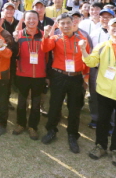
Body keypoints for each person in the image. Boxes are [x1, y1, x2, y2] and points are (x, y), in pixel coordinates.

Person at [81, 18, 116, 168]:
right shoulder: (101, 46)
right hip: (104, 92)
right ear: (108, 29)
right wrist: (83, 51)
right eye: (113, 26)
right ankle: (100, 146)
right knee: (102, 121)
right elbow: (91, 63)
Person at [41, 13, 90, 154]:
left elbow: (87, 60)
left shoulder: (82, 39)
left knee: (74, 108)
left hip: (76, 78)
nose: (66, 26)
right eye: (62, 23)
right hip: (59, 76)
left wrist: (85, 79)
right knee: (55, 105)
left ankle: (72, 135)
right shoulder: (55, 38)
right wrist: (46, 34)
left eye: (68, 23)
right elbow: (45, 48)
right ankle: (51, 130)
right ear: (58, 25)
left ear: (73, 23)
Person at [12, 10, 47, 140]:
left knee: (36, 102)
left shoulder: (44, 35)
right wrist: (15, 41)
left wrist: (47, 75)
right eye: (29, 19)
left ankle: (33, 126)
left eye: (34, 18)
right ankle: (21, 124)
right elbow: (14, 55)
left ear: (38, 20)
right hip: (22, 74)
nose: (31, 21)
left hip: (39, 75)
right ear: (24, 21)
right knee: (21, 101)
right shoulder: (19, 35)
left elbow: (49, 56)